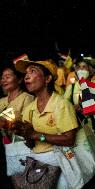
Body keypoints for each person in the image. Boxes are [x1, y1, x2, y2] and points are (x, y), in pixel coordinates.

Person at [13, 59, 79, 188]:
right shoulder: (29, 109)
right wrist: (23, 133)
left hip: (60, 164)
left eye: (32, 71)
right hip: (36, 163)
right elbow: (31, 142)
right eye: (26, 73)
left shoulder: (61, 105)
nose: (26, 76)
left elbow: (70, 139)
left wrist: (37, 135)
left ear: (48, 78)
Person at [0, 65, 34, 189]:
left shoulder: (27, 98)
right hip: (5, 147)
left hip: (21, 147)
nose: (3, 80)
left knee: (23, 178)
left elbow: (30, 124)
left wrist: (8, 123)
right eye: (2, 78)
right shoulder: (2, 101)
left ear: (19, 80)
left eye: (8, 77)